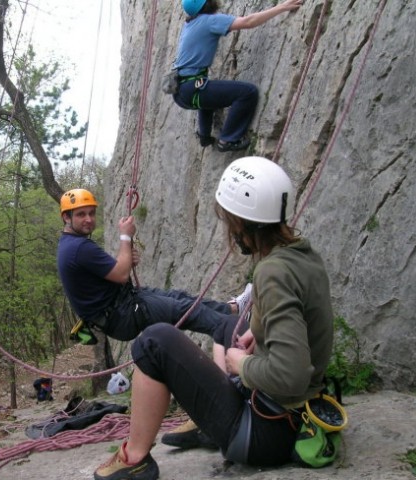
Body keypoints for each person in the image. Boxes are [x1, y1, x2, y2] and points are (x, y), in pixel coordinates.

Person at [93, 156, 334, 479]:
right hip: (293, 413)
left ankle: (135, 457)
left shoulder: (272, 272)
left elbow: (291, 375)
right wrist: (257, 332)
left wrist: (241, 364)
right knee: (226, 323)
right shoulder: (301, 255)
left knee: (154, 341)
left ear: (240, 222)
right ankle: (212, 415)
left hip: (266, 434)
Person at [57, 188, 251, 342]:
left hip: (122, 305)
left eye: (91, 213)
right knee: (186, 311)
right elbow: (121, 275)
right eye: (81, 215)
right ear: (66, 217)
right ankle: (240, 336)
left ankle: (233, 311)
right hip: (122, 314)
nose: (89, 219)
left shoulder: (71, 244)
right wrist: (125, 236)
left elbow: (112, 271)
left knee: (180, 298)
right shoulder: (78, 248)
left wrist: (124, 260)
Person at [172, 0, 303, 151]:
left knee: (208, 96)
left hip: (182, 92)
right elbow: (248, 22)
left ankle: (204, 136)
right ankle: (228, 140)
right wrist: (281, 8)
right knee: (247, 93)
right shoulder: (209, 21)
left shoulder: (189, 24)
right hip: (192, 88)